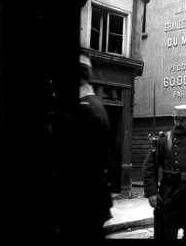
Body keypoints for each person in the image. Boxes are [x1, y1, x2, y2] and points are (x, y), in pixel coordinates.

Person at [54, 50, 114, 239]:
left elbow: (75, 167)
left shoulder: (85, 110)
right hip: (89, 203)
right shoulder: (91, 105)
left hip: (81, 206)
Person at [143, 104, 186, 240]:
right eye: (177, 120)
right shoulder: (163, 140)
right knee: (167, 234)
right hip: (170, 194)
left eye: (183, 120)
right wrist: (152, 192)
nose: (179, 123)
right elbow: (149, 166)